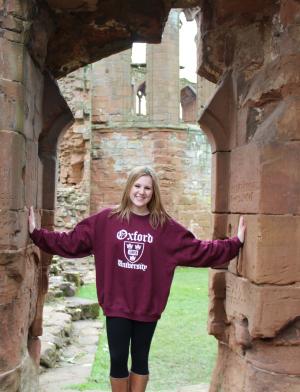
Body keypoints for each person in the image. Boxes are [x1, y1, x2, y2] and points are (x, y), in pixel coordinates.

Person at [29, 166, 246, 392]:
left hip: (146, 305)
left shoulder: (163, 226)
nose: (141, 192)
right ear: (129, 187)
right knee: (118, 359)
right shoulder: (106, 220)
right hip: (117, 304)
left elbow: (198, 249)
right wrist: (37, 233)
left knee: (141, 358)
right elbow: (71, 241)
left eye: (147, 188)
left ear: (154, 193)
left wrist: (235, 243)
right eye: (137, 186)